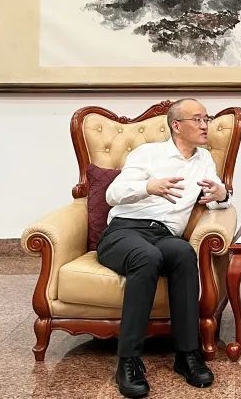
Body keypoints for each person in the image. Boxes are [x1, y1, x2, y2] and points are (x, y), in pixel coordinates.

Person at [97, 98, 230, 398]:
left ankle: (187, 354)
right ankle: (128, 360)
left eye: (206, 119)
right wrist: (148, 186)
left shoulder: (204, 160)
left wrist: (221, 194)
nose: (205, 125)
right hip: (125, 230)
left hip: (165, 233)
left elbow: (217, 197)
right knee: (147, 257)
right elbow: (112, 194)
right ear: (176, 126)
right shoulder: (148, 153)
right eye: (197, 119)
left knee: (183, 253)